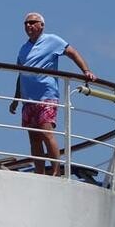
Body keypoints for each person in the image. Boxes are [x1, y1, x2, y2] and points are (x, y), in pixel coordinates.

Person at [9, 12, 97, 176]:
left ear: (41, 25)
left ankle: (56, 172)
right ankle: (40, 172)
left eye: (33, 22)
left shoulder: (52, 40)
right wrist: (16, 98)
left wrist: (86, 71)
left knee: (47, 134)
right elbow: (20, 74)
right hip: (28, 99)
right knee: (34, 139)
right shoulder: (23, 48)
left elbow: (73, 53)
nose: (29, 26)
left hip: (46, 96)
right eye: (26, 23)